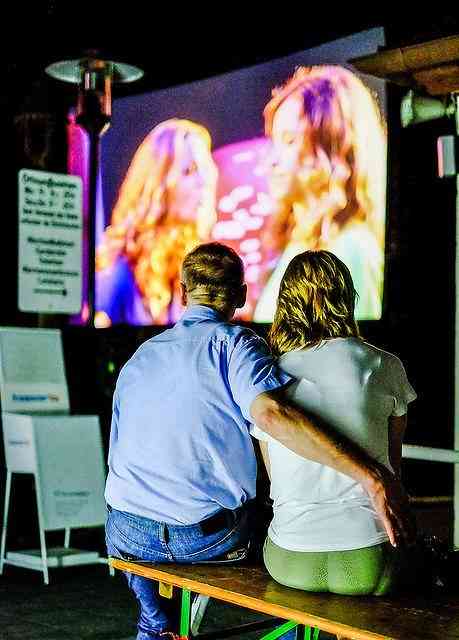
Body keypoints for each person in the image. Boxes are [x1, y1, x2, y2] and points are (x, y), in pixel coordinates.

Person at [105, 242, 412, 640]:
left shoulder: (141, 356)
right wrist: (370, 476)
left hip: (127, 533)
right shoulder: (239, 346)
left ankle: (154, 621)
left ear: (181, 292)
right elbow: (271, 415)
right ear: (242, 294)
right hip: (208, 538)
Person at [251, 251, 416, 617]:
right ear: (347, 297)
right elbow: (393, 468)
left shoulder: (271, 379)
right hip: (369, 555)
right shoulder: (384, 365)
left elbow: (276, 480)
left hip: (289, 557)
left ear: (286, 302)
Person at [254, 65, 386, 322]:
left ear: (332, 147)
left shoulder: (350, 249)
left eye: (290, 140)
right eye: (274, 141)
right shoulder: (300, 243)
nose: (271, 161)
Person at [95, 119, 218, 326]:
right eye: (189, 170)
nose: (204, 182)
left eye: (205, 169)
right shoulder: (119, 270)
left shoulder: (196, 262)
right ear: (158, 184)